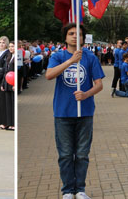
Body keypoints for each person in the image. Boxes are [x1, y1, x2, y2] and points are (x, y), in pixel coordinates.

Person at [46, 23, 103, 199]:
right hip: (63, 113)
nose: (74, 37)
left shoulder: (90, 57)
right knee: (65, 154)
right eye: (71, 34)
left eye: (78, 34)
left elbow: (99, 85)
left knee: (82, 154)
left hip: (84, 112)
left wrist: (86, 94)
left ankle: (80, 189)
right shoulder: (58, 56)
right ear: (65, 37)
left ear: (83, 39)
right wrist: (71, 61)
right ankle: (68, 190)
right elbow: (49, 75)